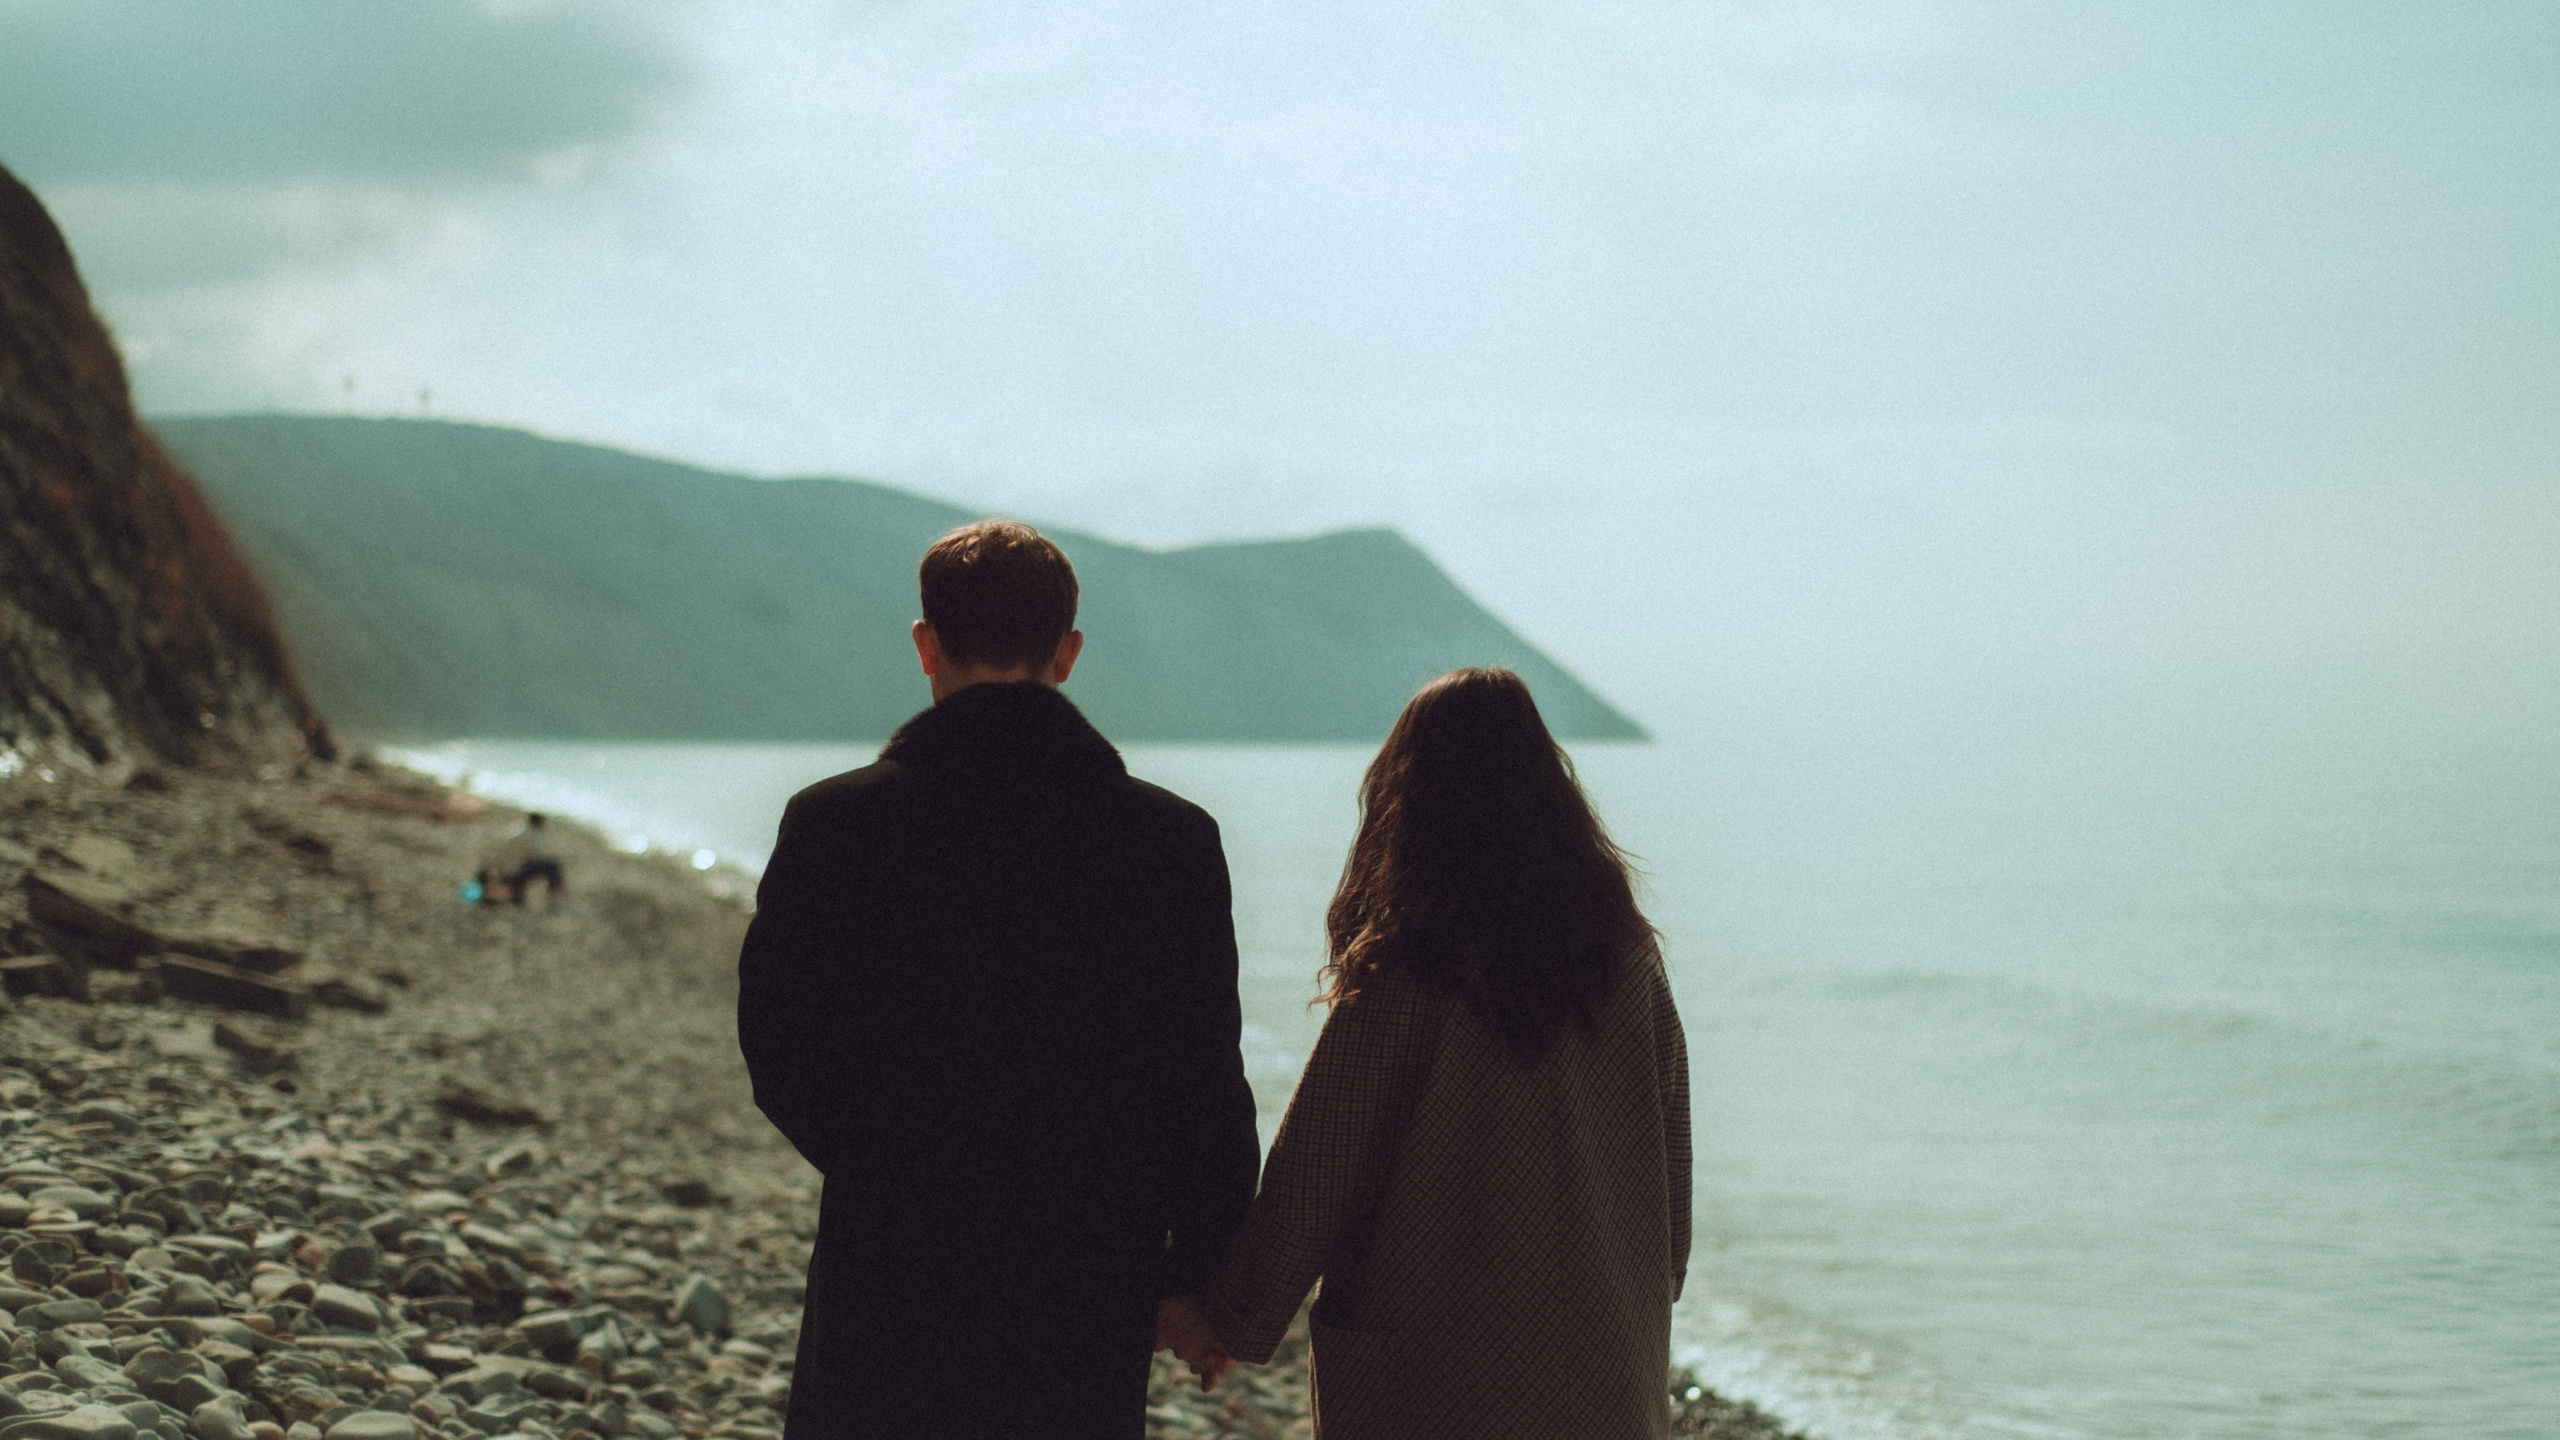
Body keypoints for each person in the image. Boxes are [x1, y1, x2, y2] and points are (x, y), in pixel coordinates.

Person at [736, 519, 1261, 1439]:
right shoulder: (1171, 841)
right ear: (1067, 654)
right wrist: (1199, 1272)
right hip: (1086, 1271)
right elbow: (1204, 1079)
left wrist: (894, 1169)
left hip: (891, 1258)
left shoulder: (833, 824)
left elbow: (781, 1049)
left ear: (925, 646)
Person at [1161, 667, 1691, 1439]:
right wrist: (1641, 1285)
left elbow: (1315, 1172)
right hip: (1603, 1366)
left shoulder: (1411, 967)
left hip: (1436, 1377)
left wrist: (1229, 1320)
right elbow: (1670, 1186)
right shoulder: (1629, 961)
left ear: (1414, 798)